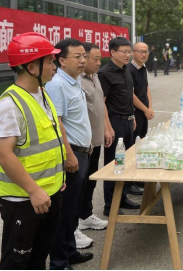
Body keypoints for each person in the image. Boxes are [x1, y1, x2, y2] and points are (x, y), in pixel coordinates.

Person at [0, 33, 65, 270]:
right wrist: (33, 190)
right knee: (16, 262)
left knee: (38, 258)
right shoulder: (9, 104)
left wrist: (58, 178)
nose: (54, 66)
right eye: (50, 61)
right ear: (32, 67)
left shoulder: (42, 94)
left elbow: (49, 141)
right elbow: (4, 154)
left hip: (48, 193)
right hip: (23, 199)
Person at [46, 39, 94, 269]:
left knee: (73, 208)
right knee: (64, 212)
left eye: (84, 56)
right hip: (71, 154)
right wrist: (68, 155)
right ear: (62, 61)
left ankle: (70, 251)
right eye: (77, 56)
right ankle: (59, 261)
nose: (83, 60)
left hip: (82, 152)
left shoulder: (75, 81)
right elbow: (57, 122)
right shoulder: (57, 85)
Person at [99, 37, 140, 217]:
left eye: (129, 51)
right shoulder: (105, 73)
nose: (127, 55)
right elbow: (102, 103)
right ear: (113, 52)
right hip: (115, 122)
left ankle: (122, 197)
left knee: (125, 162)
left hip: (128, 121)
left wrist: (132, 116)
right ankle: (110, 205)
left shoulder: (127, 70)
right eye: (124, 51)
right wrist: (107, 128)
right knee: (114, 163)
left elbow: (128, 95)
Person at [78, 43, 111, 237]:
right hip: (84, 143)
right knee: (80, 183)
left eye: (100, 59)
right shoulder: (78, 82)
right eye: (95, 59)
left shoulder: (95, 78)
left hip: (96, 140)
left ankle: (86, 214)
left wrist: (107, 128)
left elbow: (101, 105)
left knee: (90, 180)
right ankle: (76, 221)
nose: (99, 63)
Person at [130, 42, 155, 141]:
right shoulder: (129, 70)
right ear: (133, 52)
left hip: (144, 112)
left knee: (142, 140)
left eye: (146, 52)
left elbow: (146, 88)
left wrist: (150, 108)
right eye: (140, 52)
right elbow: (130, 94)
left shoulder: (143, 68)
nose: (144, 54)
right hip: (135, 113)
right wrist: (145, 109)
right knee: (134, 143)